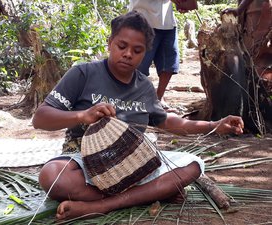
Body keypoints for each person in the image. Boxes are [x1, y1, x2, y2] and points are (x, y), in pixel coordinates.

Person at [32, 11, 244, 221]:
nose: (128, 54)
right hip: (84, 161)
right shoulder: (83, 74)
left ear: (145, 53)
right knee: (52, 176)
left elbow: (166, 121)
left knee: (194, 165)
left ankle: (102, 205)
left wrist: (214, 125)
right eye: (122, 46)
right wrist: (82, 116)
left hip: (134, 162)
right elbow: (40, 118)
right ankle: (149, 194)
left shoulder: (144, 86)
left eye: (137, 50)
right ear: (110, 43)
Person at [129, 0, 183, 111]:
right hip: (142, 19)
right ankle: (135, 99)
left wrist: (181, 3)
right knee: (139, 64)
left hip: (166, 22)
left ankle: (158, 98)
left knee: (168, 63)